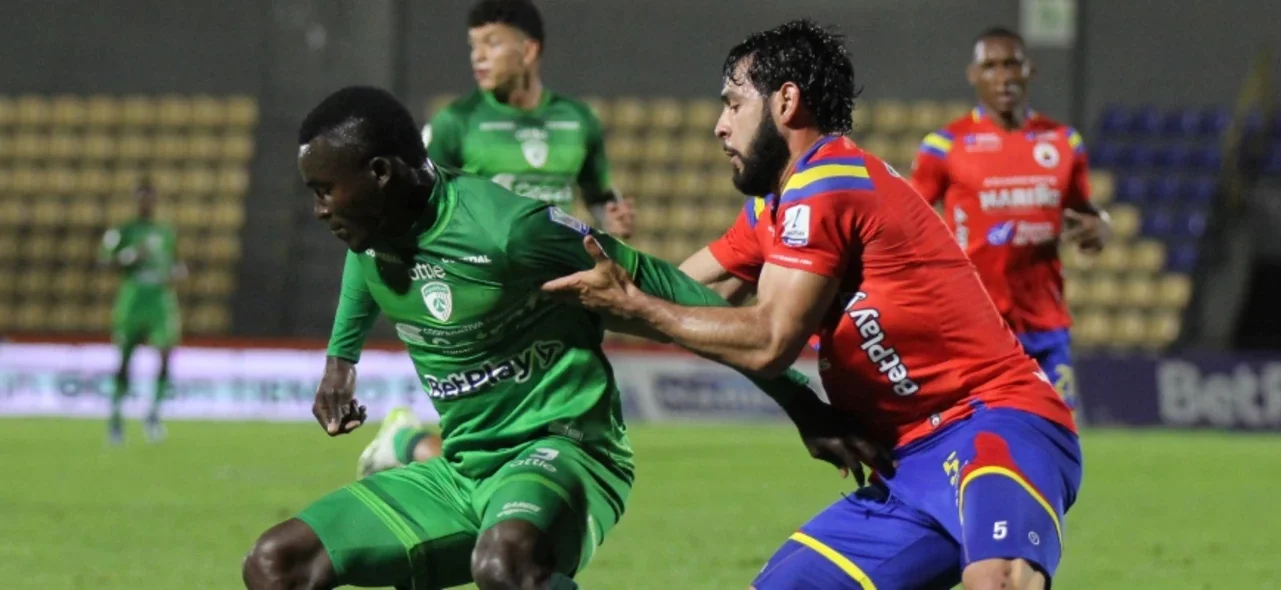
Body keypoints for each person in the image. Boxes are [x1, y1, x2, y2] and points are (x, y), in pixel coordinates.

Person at [241, 85, 885, 590]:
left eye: (326, 191)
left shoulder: (508, 232)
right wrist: (338, 364)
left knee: (505, 564)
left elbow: (662, 288)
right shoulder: (374, 230)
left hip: (568, 451)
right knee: (276, 564)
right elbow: (366, 262)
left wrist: (801, 401)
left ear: (381, 173)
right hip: (463, 469)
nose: (320, 210)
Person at [543, 20, 1082, 590]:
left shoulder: (831, 181)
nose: (719, 126)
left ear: (787, 101)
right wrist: (561, 296)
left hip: (991, 423)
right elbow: (679, 298)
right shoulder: (772, 210)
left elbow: (767, 342)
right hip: (904, 467)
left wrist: (634, 304)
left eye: (732, 104)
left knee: (998, 580)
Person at [362, 0, 638, 476]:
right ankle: (410, 444)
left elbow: (598, 194)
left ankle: (407, 442)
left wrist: (611, 218)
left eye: (492, 43)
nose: (478, 56)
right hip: (486, 295)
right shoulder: (455, 123)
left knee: (537, 444)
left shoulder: (578, 120)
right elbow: (416, 204)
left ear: (529, 50)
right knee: (506, 451)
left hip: (559, 292)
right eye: (473, 46)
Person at [909, 27, 1110, 413]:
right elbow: (908, 219)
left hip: (1045, 326)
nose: (1002, 77)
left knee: (1056, 436)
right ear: (973, 75)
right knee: (982, 436)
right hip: (974, 326)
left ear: (1029, 70)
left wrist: (1101, 226)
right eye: (990, 66)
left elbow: (1086, 215)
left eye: (1011, 64)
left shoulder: (1063, 142)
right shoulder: (945, 146)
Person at [99, 181, 185, 444]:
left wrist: (177, 270)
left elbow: (174, 262)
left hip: (159, 298)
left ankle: (154, 415)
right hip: (133, 297)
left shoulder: (166, 232)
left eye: (149, 198)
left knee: (165, 354)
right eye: (141, 198)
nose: (146, 203)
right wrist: (129, 256)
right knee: (125, 358)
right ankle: (115, 417)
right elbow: (104, 261)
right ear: (136, 201)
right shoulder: (123, 231)